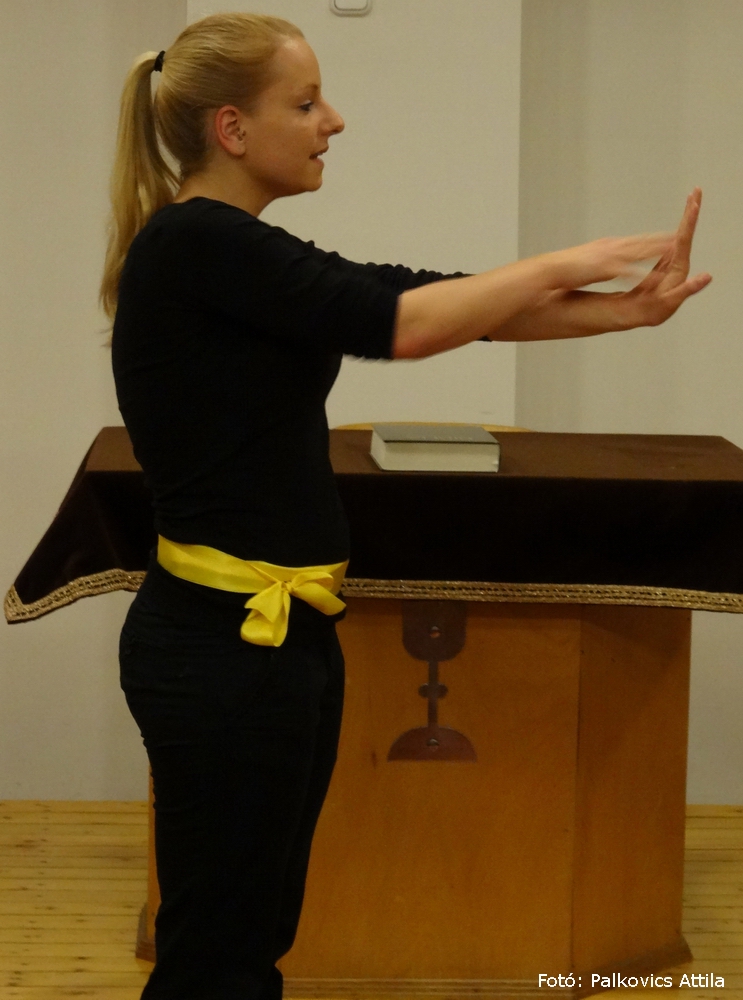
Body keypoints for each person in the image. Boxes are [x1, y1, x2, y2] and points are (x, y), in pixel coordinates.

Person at [102, 13, 711, 1000]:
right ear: (231, 129)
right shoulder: (193, 245)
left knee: (251, 933)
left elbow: (420, 296)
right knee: (217, 952)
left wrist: (621, 310)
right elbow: (399, 324)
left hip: (278, 639)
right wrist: (571, 260)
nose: (332, 121)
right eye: (305, 103)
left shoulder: (236, 252)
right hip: (222, 650)